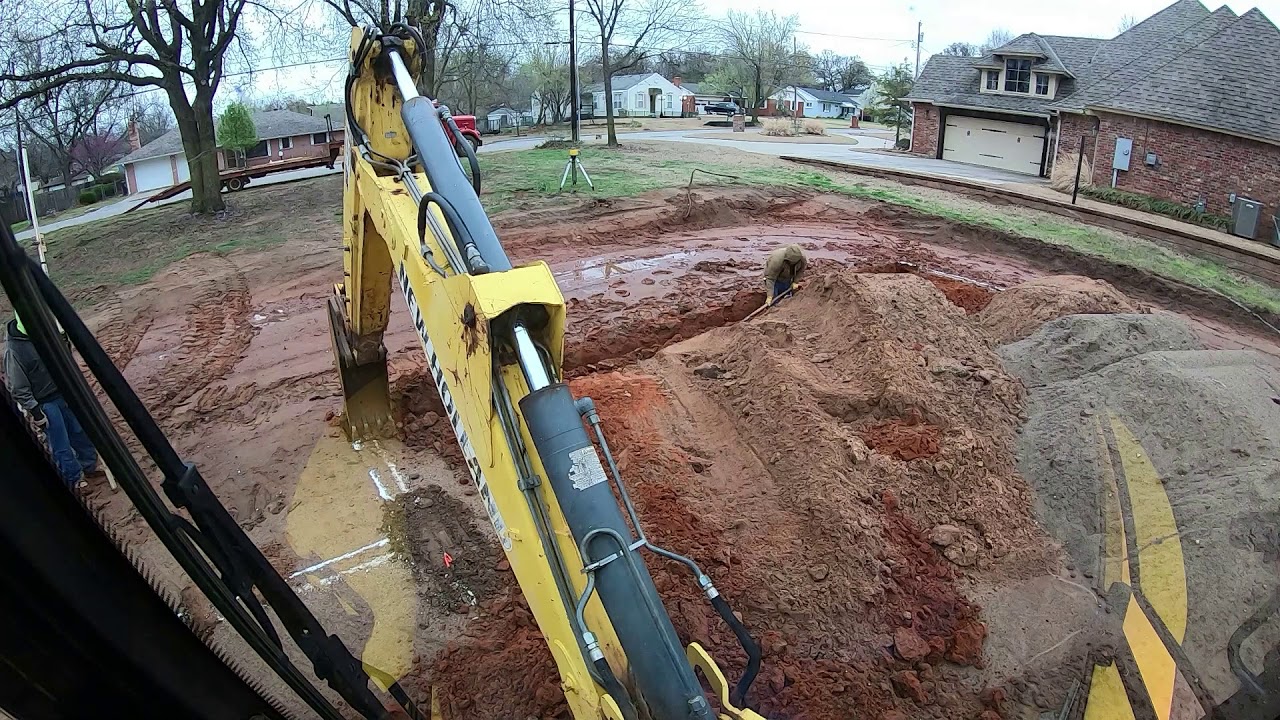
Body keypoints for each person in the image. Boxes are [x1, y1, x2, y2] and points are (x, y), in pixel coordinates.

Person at [4, 313, 100, 488]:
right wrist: (35, 411)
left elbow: (66, 359)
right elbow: (18, 387)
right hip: (44, 403)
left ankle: (89, 466)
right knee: (60, 443)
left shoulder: (50, 333)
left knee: (79, 432)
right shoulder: (15, 350)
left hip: (65, 393)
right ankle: (73, 480)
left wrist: (63, 340)